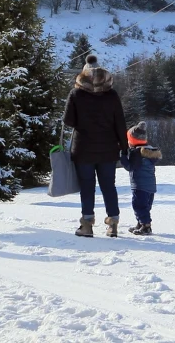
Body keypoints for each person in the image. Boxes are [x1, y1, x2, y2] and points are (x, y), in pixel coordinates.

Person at [63, 54, 127, 238]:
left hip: (83, 149)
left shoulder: (76, 94)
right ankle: (113, 223)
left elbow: (68, 121)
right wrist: (124, 146)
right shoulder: (112, 95)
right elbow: (120, 123)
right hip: (108, 149)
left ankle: (87, 225)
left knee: (87, 187)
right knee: (109, 186)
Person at [119, 120, 162, 235]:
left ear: (132, 140)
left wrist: (122, 156)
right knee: (145, 206)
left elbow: (130, 167)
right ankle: (140, 223)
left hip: (140, 185)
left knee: (138, 205)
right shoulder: (148, 151)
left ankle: (146, 226)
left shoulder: (137, 153)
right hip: (150, 186)